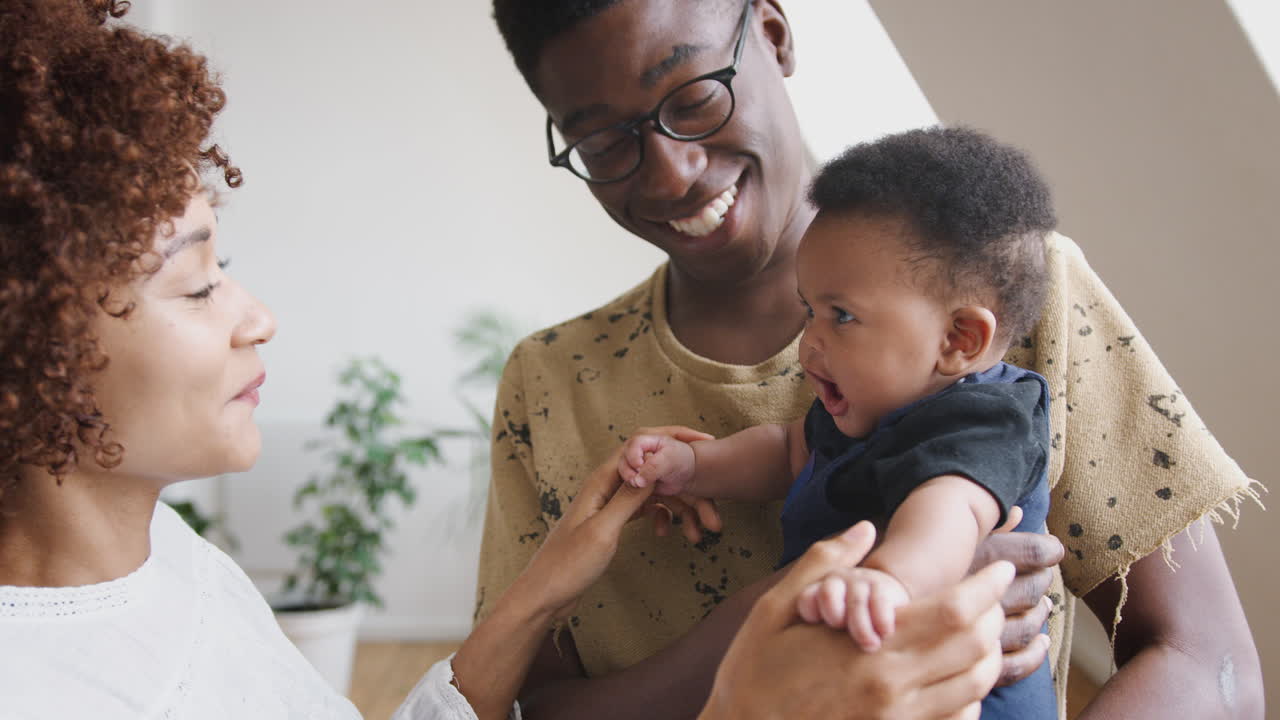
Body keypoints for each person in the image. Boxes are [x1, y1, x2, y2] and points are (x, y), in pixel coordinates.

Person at [0, 2, 1018, 719]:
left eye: (233, 265)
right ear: (31, 342)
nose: (257, 318)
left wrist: (544, 583)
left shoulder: (175, 568)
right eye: (195, 284)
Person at [477, 0, 1264, 717]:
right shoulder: (551, 384)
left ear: (775, 36)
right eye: (606, 142)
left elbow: (1206, 662)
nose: (672, 171)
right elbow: (524, 708)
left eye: (693, 98)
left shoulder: (1007, 284)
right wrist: (769, 624)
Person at [619, 126, 1059, 719]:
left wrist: (889, 581)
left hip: (960, 697)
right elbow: (786, 451)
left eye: (842, 316)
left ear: (958, 339)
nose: (810, 344)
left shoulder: (985, 421)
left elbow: (950, 516)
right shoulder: (865, 406)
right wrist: (697, 465)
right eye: (810, 311)